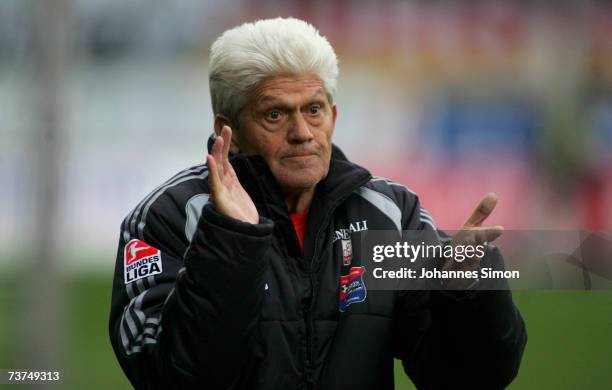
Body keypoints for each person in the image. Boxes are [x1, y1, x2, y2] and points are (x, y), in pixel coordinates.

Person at [109, 17, 526, 389]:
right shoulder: (168, 218)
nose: (302, 132)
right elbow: (172, 377)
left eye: (313, 110)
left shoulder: (390, 213)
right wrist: (231, 240)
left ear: (334, 116)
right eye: (276, 115)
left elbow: (466, 378)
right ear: (227, 131)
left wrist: (468, 291)